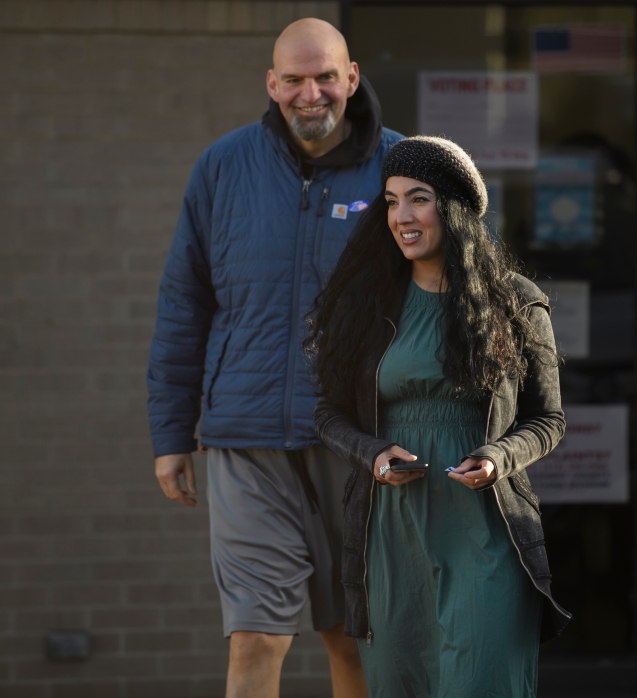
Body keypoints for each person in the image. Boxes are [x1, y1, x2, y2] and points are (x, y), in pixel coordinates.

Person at [147, 18, 401, 698]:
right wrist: (171, 435)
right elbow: (184, 306)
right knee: (257, 637)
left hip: (361, 447)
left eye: (324, 77)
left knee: (354, 643)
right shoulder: (223, 167)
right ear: (271, 83)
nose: (309, 93)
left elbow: (450, 302)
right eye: (293, 79)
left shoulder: (403, 170)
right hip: (246, 442)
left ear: (351, 78)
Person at [305, 136, 571, 697]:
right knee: (403, 681)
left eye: (418, 199)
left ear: (453, 208)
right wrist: (372, 452)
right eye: (391, 200)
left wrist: (499, 456)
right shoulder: (368, 306)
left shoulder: (518, 304)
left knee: (482, 679)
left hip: (484, 529)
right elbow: (328, 414)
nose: (402, 216)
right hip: (391, 531)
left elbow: (548, 419)